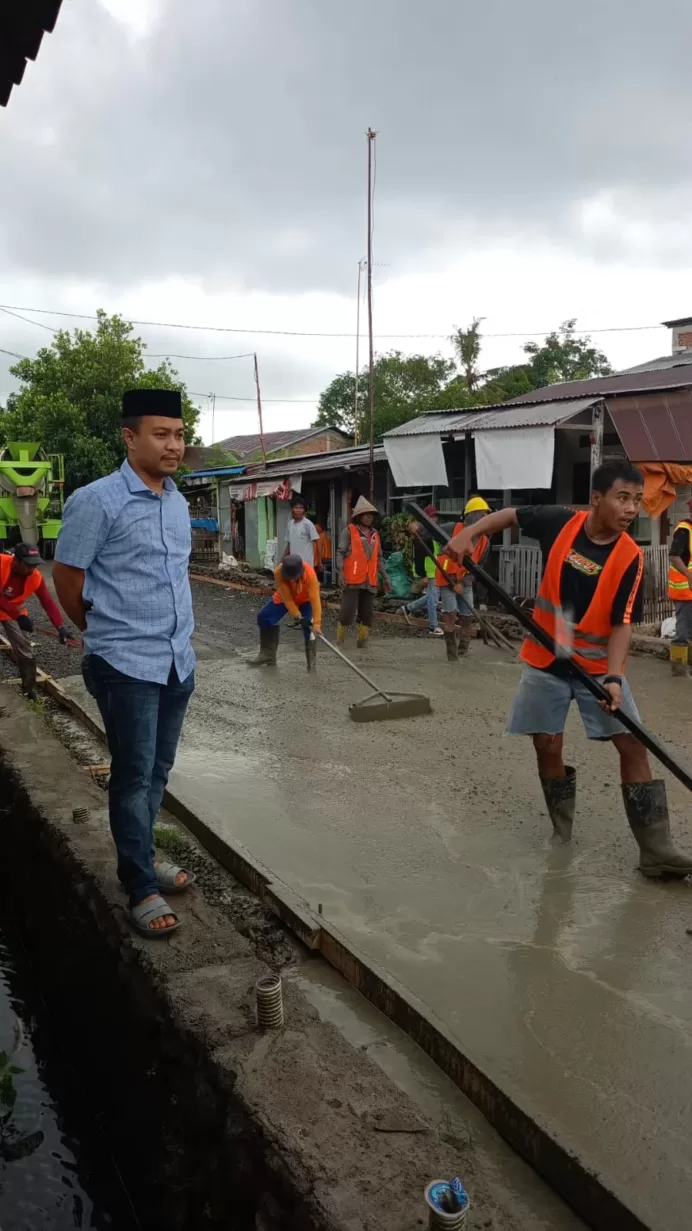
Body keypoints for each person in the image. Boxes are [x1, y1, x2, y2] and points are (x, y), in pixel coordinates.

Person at [447, 462, 692, 877]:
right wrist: (471, 534)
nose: (632, 508)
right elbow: (510, 515)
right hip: (546, 654)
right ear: (597, 498)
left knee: (632, 744)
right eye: (622, 498)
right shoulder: (559, 522)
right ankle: (562, 830)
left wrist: (614, 677)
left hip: (598, 666)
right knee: (547, 743)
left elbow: (621, 624)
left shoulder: (630, 557)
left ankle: (656, 850)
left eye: (636, 500)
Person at [53, 388, 196, 938]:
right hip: (124, 664)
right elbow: (68, 576)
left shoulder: (178, 500)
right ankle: (139, 883)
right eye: (161, 434)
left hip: (176, 661)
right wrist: (100, 634)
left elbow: (174, 576)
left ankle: (144, 856)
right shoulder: (98, 500)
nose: (173, 445)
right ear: (130, 437)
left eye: (179, 434)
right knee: (133, 777)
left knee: (157, 770)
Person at [0, 542, 70, 698]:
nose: (32, 569)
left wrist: (60, 626)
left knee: (26, 653)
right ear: (16, 561)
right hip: (13, 612)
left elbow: (48, 602)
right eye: (28, 564)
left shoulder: (35, 577)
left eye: (35, 564)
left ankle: (28, 690)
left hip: (12, 613)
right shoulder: (1, 563)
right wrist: (19, 617)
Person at [435, 496, 491, 660]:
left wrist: (461, 581)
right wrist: (417, 527)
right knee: (451, 614)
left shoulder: (485, 542)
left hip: (464, 582)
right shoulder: (452, 529)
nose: (486, 519)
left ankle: (463, 652)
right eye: (482, 515)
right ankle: (452, 656)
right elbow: (429, 530)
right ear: (473, 516)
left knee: (467, 617)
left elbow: (476, 567)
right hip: (446, 580)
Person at [250, 553, 322, 671]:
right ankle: (268, 655)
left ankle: (311, 665)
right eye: (289, 577)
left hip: (305, 600)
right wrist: (297, 615)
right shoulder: (279, 572)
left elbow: (315, 601)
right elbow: (287, 598)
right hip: (286, 596)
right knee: (264, 617)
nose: (292, 579)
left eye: (294, 577)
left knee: (309, 629)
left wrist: (317, 624)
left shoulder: (311, 576)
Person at [336, 495, 391, 648]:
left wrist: (386, 578)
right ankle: (340, 643)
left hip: (370, 580)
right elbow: (340, 552)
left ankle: (362, 643)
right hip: (352, 579)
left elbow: (379, 558)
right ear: (359, 516)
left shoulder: (375, 535)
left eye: (371, 515)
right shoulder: (349, 531)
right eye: (367, 515)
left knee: (366, 615)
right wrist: (341, 571)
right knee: (347, 613)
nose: (370, 518)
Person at [398, 505, 444, 636]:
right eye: (432, 516)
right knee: (433, 598)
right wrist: (423, 574)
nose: (434, 519)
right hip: (429, 570)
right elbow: (419, 555)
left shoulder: (433, 533)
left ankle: (407, 608)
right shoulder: (422, 534)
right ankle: (433, 626)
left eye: (435, 516)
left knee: (433, 597)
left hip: (436, 569)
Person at [667, 497, 692, 676]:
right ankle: (679, 672)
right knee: (682, 632)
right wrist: (689, 575)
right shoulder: (684, 530)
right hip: (684, 590)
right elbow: (674, 556)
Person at [284, 494, 320, 569]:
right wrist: (283, 559)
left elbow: (318, 542)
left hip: (306, 565)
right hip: (293, 565)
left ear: (304, 510)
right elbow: (288, 545)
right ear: (291, 510)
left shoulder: (308, 524)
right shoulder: (290, 525)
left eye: (301, 508)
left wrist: (320, 561)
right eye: (296, 507)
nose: (298, 510)